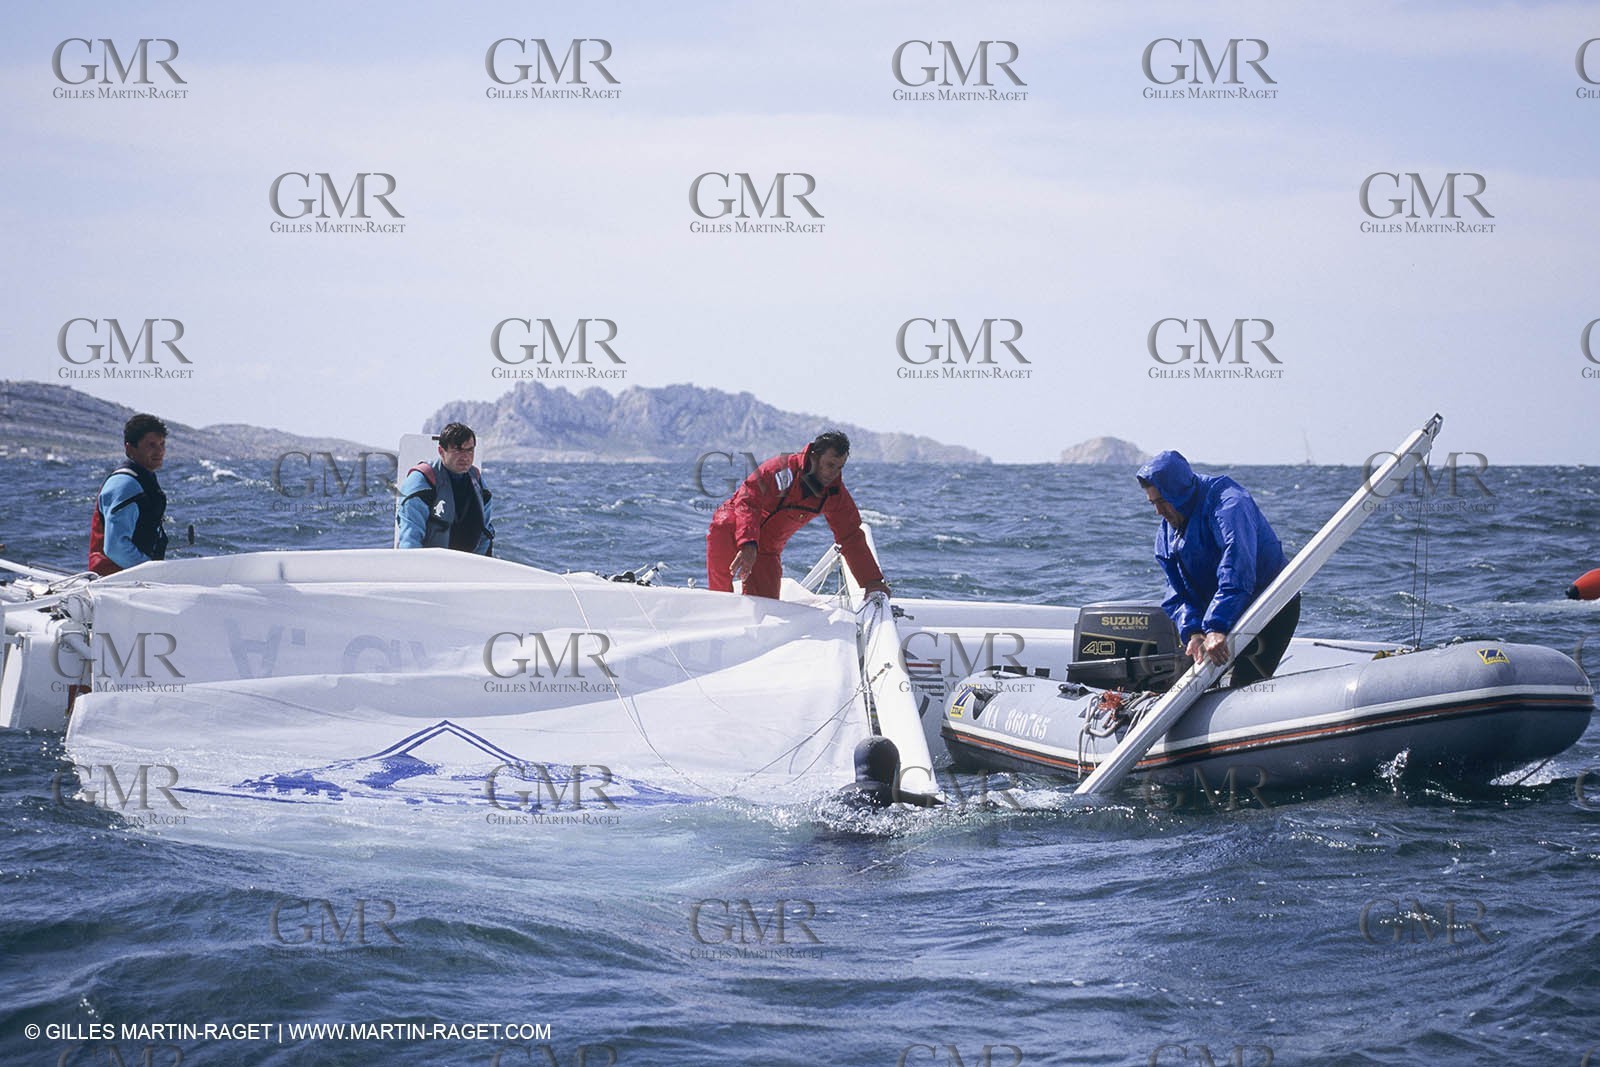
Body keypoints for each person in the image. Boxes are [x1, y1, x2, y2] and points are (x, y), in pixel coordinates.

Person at [1136, 450, 1299, 687]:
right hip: (1216, 614)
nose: (1158, 512)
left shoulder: (1230, 503)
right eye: (1153, 503)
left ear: (1178, 493)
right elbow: (1175, 590)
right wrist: (1193, 631)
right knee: (1182, 688)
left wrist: (1216, 626)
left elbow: (1238, 567)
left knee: (1243, 687)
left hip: (1268, 608)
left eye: (1162, 502)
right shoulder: (1168, 529)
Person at [705, 431, 890, 599]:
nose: (833, 473)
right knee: (720, 599)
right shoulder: (781, 470)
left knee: (767, 607)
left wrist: (871, 581)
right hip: (731, 528)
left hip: (767, 550)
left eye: (840, 467)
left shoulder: (834, 494)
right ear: (815, 457)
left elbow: (850, 536)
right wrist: (748, 543)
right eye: (830, 465)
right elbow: (748, 501)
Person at [88, 413, 170, 576]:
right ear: (130, 448)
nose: (159, 451)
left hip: (133, 576)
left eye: (162, 444)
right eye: (151, 445)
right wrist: (154, 573)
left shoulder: (144, 478)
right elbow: (115, 548)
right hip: (112, 581)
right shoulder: (125, 484)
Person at [396, 423, 494, 554]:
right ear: (441, 451)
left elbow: (485, 534)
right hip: (429, 565)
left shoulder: (478, 482)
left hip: (468, 566)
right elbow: (410, 539)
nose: (465, 457)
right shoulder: (420, 482)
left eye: (469, 450)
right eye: (457, 450)